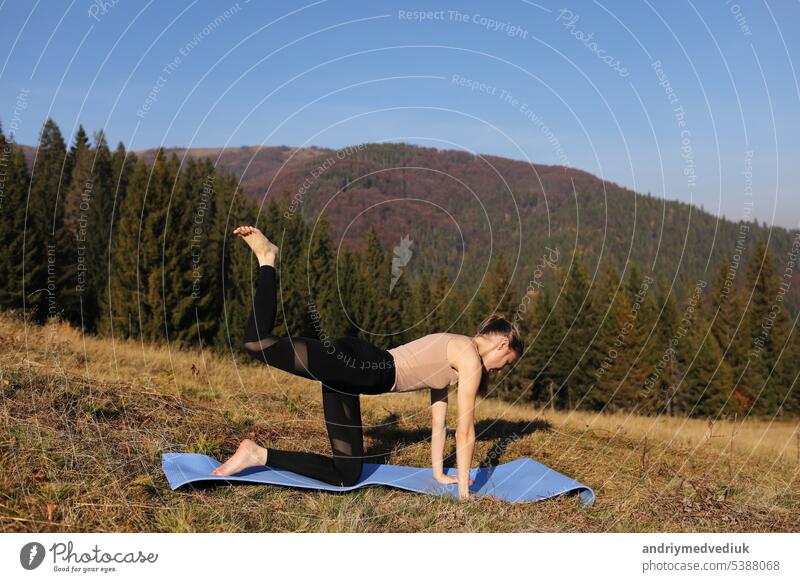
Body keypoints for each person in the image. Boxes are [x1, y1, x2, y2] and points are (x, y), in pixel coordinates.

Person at [210, 225, 523, 500]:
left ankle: (256, 453)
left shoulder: (455, 352)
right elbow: (466, 432)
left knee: (345, 473)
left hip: (354, 374)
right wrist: (465, 495)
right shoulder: (468, 357)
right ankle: (268, 259)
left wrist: (440, 475)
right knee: (256, 342)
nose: (499, 369)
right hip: (358, 365)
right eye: (506, 362)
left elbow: (440, 423)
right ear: (502, 343)